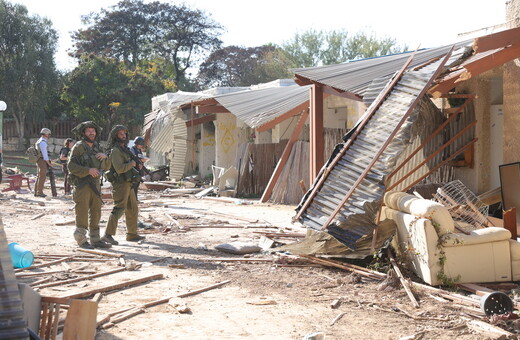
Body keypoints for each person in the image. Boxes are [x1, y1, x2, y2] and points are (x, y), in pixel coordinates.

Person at [67, 121, 112, 249]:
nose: (91, 133)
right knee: (82, 212)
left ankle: (95, 239)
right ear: (83, 133)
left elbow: (107, 166)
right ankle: (81, 239)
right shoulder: (78, 147)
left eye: (93, 130)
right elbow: (70, 166)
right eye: (88, 130)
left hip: (96, 185)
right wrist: (88, 171)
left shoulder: (98, 147)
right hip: (82, 185)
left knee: (96, 211)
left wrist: (106, 157)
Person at [102, 125, 145, 245]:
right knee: (119, 208)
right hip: (120, 183)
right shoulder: (115, 150)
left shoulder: (124, 149)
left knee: (132, 208)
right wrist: (131, 165)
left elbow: (129, 163)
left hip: (128, 182)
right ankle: (107, 235)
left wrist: (136, 165)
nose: (123, 136)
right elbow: (119, 169)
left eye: (125, 134)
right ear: (116, 136)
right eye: (121, 134)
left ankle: (132, 234)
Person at [34, 128, 52, 197]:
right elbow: (45, 155)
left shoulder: (39, 141)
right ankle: (40, 192)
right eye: (49, 134)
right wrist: (49, 163)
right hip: (42, 160)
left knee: (39, 176)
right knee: (42, 176)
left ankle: (36, 191)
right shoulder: (43, 142)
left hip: (39, 160)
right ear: (46, 134)